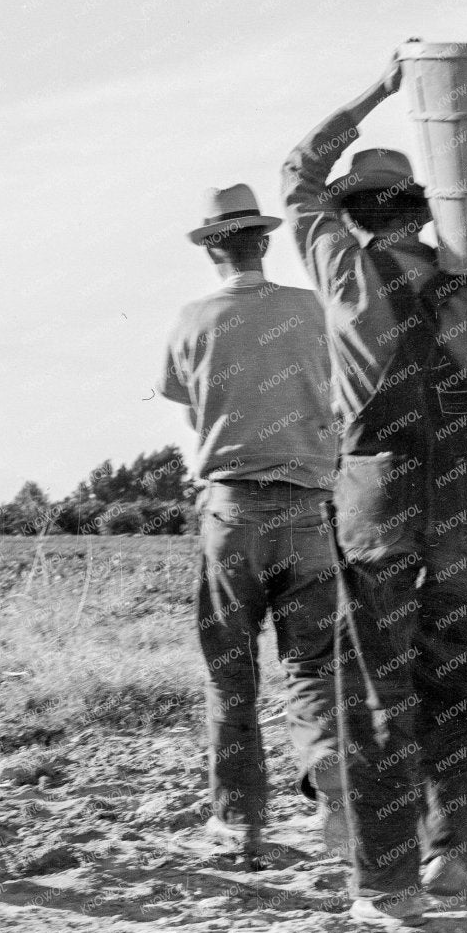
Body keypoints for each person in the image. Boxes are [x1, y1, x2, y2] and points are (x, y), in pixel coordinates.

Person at [284, 56, 467, 921]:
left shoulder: (343, 273)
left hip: (375, 498)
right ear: (422, 214)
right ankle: (451, 854)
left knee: (374, 683)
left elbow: (298, 170)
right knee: (462, 674)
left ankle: (385, 880)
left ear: (358, 218)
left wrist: (377, 88)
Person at [159, 184, 346, 880]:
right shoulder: (311, 309)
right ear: (263, 242)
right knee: (314, 663)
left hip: (232, 509)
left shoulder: (191, 321)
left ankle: (239, 824)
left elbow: (186, 407)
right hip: (309, 508)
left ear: (211, 247)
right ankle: (329, 781)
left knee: (230, 672)